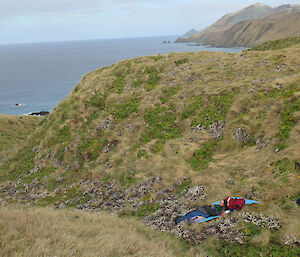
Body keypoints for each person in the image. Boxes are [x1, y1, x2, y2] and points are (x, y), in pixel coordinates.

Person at [174, 197, 246, 224]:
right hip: (204, 210)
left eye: (221, 201)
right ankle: (184, 219)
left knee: (192, 214)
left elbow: (215, 213)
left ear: (224, 204)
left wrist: (211, 208)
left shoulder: (220, 209)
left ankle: (180, 220)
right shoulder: (219, 206)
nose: (219, 202)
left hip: (204, 212)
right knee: (191, 213)